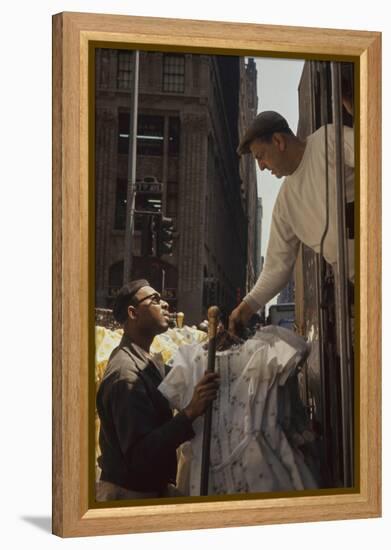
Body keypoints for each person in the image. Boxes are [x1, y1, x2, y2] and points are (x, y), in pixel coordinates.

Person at [229, 110, 354, 334]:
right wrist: (246, 308)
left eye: (261, 156)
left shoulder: (328, 140)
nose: (261, 166)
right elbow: (276, 268)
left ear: (278, 141)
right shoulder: (284, 205)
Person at [96, 279, 219, 501]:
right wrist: (190, 412)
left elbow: (177, 372)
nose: (165, 305)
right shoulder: (126, 375)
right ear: (133, 313)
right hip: (130, 497)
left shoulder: (142, 358)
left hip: (147, 489)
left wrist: (215, 347)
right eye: (155, 300)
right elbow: (140, 455)